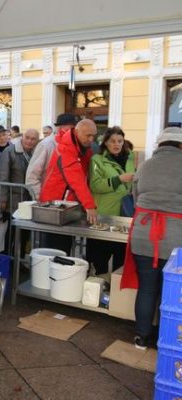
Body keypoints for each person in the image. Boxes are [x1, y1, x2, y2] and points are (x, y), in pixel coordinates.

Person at [121, 127, 182, 350]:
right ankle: (167, 339)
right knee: (172, 291)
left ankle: (142, 337)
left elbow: (136, 199)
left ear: (159, 145)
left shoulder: (145, 166)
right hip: (176, 239)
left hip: (144, 236)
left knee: (147, 288)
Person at [38, 119, 98, 253]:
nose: (91, 139)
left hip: (66, 204)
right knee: (54, 248)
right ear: (77, 132)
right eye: (88, 135)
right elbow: (76, 178)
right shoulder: (66, 148)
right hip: (55, 204)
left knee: (64, 247)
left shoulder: (82, 148)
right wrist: (89, 205)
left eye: (93, 135)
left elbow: (85, 176)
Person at [88, 127, 136, 275]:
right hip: (103, 216)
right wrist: (119, 179)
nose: (117, 144)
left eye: (120, 141)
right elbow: (95, 185)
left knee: (120, 259)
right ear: (106, 143)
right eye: (112, 141)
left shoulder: (130, 157)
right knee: (99, 259)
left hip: (123, 215)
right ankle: (97, 287)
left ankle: (114, 292)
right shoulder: (97, 160)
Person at [25, 113, 77, 198]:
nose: (71, 133)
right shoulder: (46, 145)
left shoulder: (73, 144)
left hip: (66, 197)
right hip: (48, 198)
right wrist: (39, 197)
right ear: (59, 128)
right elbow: (32, 175)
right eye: (68, 129)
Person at [0, 128, 40, 213]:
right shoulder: (9, 151)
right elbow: (2, 176)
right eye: (27, 137)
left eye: (33, 139)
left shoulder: (38, 152)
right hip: (14, 199)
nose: (29, 141)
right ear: (22, 137)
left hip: (32, 198)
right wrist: (2, 199)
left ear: (37, 141)